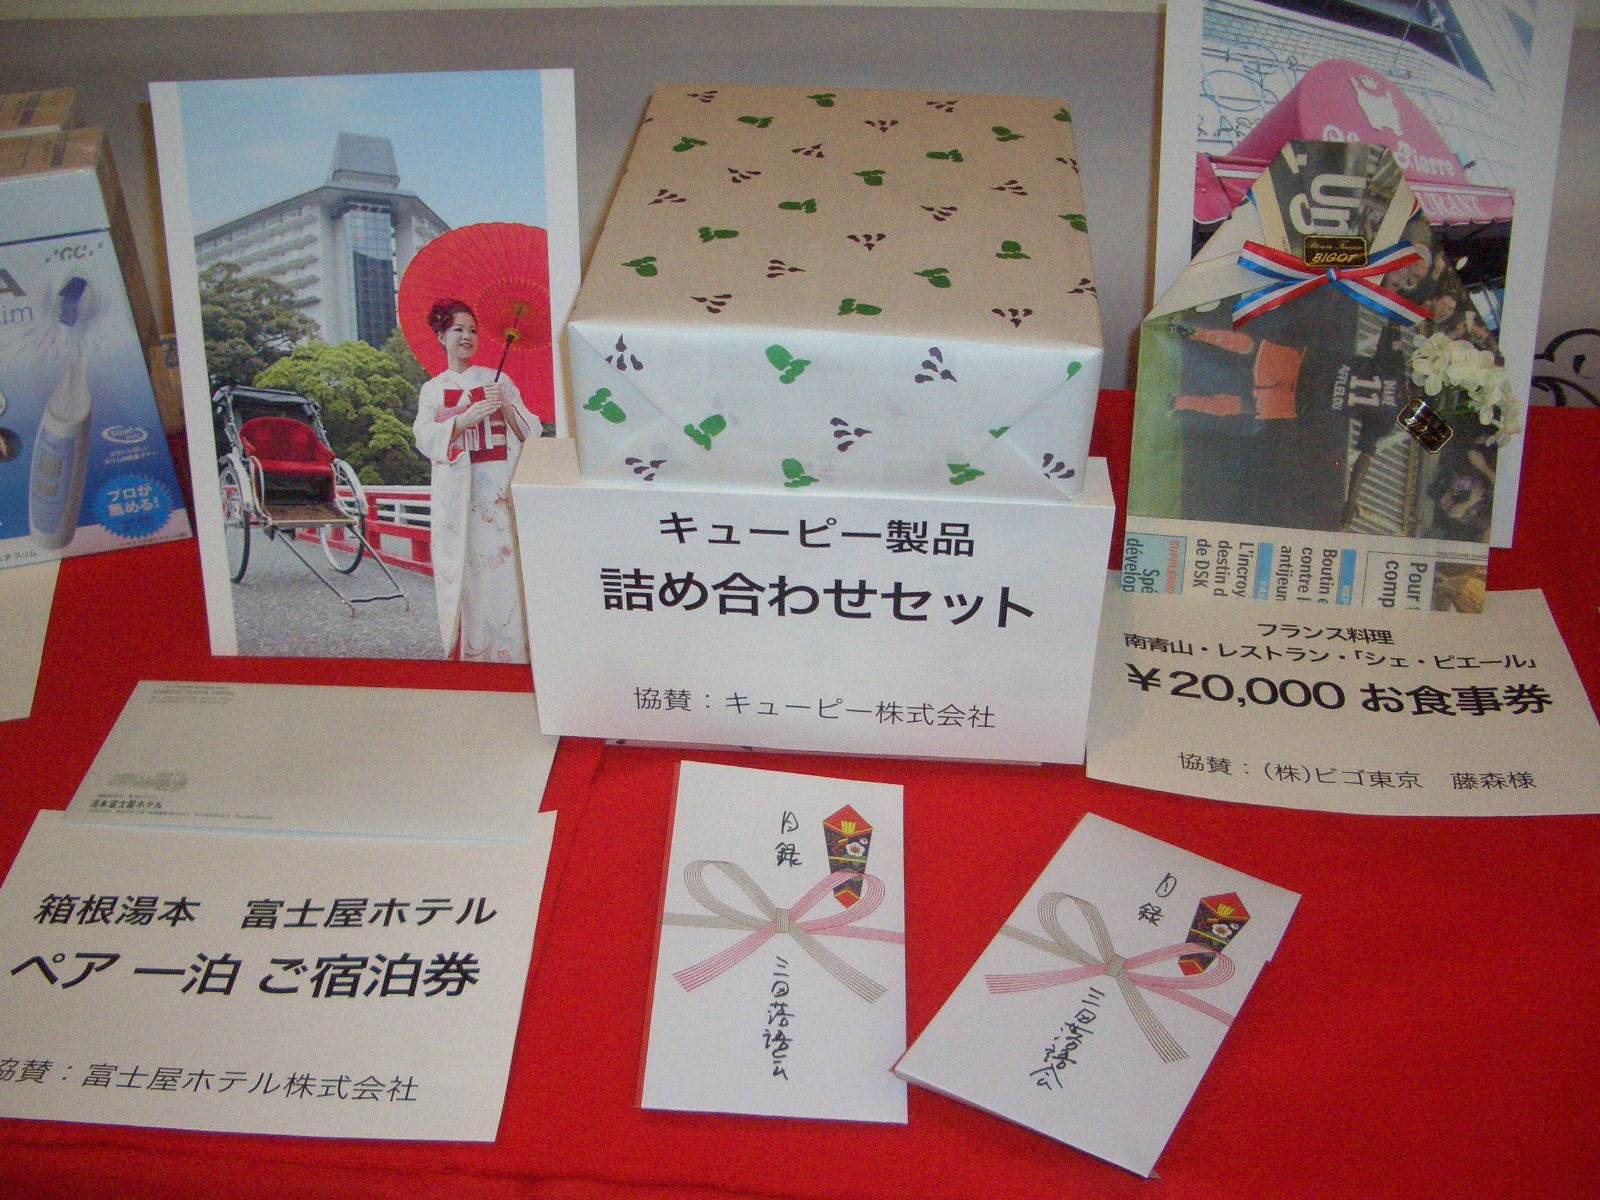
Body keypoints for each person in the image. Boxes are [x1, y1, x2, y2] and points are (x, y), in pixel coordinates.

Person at [412, 299, 533, 662]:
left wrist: (504, 405)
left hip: (497, 489)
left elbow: (530, 433)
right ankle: (472, 655)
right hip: (459, 494)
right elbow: (424, 437)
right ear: (441, 336)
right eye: (458, 330)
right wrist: (463, 420)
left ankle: (512, 655)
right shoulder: (433, 389)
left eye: (473, 330)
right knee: (466, 570)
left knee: (504, 571)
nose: (467, 336)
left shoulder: (498, 380)